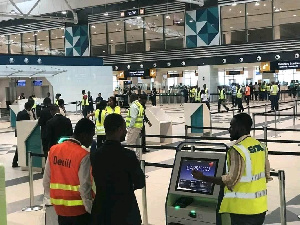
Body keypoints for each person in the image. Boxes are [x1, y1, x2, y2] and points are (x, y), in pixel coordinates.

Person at [192, 113, 272, 225]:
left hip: (242, 210)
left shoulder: (238, 150)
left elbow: (230, 180)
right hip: (260, 207)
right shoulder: (260, 146)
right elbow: (267, 175)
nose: (229, 130)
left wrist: (203, 177)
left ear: (241, 128)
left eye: (232, 126)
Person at [91, 114, 145, 225]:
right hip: (125, 212)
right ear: (119, 130)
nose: (125, 132)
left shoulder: (95, 155)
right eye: (124, 128)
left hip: (102, 212)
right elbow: (140, 183)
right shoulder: (128, 155)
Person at [43, 118, 95, 225]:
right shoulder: (83, 155)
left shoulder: (53, 150)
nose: (91, 140)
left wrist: (50, 199)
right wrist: (90, 210)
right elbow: (84, 186)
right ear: (84, 135)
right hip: (79, 210)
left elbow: (46, 179)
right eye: (91, 136)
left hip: (60, 208)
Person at [126, 94, 148, 160]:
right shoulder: (139, 106)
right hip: (139, 127)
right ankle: (138, 159)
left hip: (133, 128)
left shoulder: (133, 106)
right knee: (138, 145)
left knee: (130, 145)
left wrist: (130, 126)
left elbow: (133, 118)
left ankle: (130, 160)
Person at [12, 102, 32, 167]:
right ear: (29, 107)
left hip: (19, 132)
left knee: (19, 146)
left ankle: (15, 161)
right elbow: (28, 124)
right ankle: (16, 161)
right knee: (20, 147)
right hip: (24, 133)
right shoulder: (26, 114)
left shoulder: (20, 113)